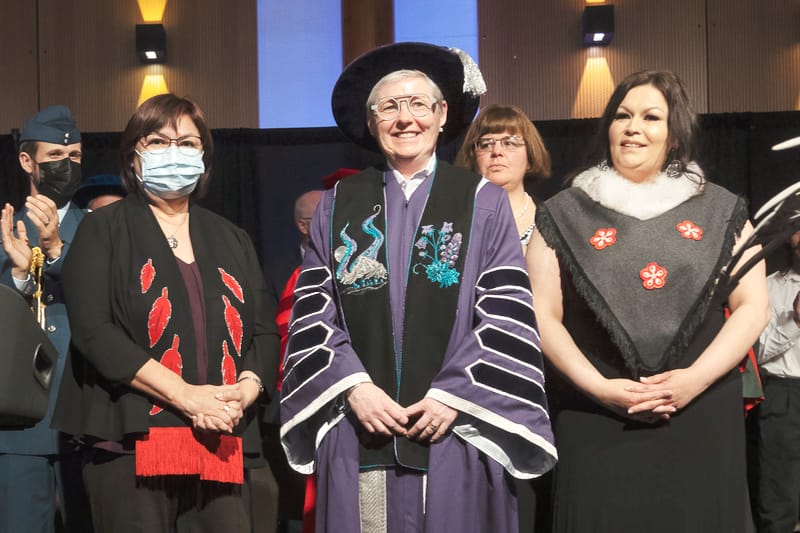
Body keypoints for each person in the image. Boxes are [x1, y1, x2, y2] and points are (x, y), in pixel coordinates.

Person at [280, 42, 557, 533]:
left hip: (455, 424)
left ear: (442, 114)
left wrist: (452, 395)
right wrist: (355, 387)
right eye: (389, 107)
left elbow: (506, 312)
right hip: (360, 422)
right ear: (371, 122)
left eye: (417, 104)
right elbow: (313, 312)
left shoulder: (482, 201)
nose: (404, 118)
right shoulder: (338, 204)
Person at [528, 70, 770, 532]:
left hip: (699, 410)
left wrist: (694, 380)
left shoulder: (722, 210)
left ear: (675, 136)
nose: (633, 127)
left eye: (650, 117)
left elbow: (753, 307)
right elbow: (543, 315)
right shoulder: (563, 213)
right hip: (596, 411)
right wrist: (599, 387)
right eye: (622, 116)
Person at [51, 93, 279, 532]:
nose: (174, 153)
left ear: (205, 156)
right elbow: (94, 332)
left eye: (188, 143)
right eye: (158, 142)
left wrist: (245, 391)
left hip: (222, 436)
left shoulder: (232, 237)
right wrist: (186, 397)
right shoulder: (104, 229)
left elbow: (263, 331)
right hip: (133, 441)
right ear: (133, 156)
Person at [0, 105, 91, 533]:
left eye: (74, 156)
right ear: (27, 161)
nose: (66, 165)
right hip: (18, 422)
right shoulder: (3, 230)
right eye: (55, 155)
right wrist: (17, 278)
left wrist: (57, 251)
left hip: (86, 415)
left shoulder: (101, 229)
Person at [456, 104, 550, 253]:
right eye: (486, 144)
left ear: (530, 157)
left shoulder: (553, 222)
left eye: (509, 143)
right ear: (473, 158)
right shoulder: (455, 222)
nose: (497, 152)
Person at [756, 229, 800, 533]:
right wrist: (795, 321)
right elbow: (757, 352)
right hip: (784, 395)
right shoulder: (768, 288)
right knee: (778, 490)